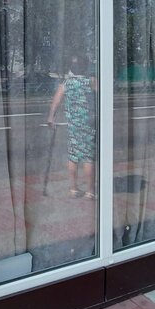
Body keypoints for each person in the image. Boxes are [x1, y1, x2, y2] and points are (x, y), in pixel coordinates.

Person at [47, 54, 97, 200]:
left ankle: (73, 189)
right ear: (85, 66)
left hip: (73, 124)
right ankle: (90, 191)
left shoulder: (66, 83)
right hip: (88, 123)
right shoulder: (91, 81)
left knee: (73, 156)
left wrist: (51, 117)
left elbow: (56, 101)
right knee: (88, 157)